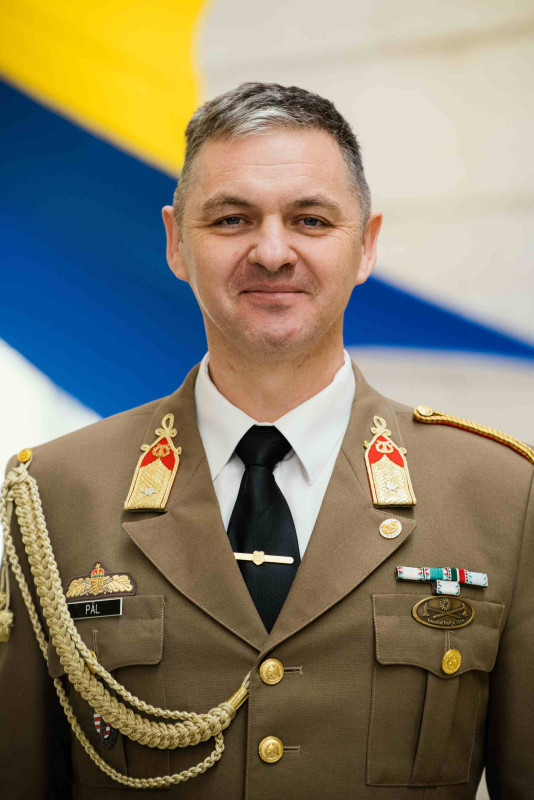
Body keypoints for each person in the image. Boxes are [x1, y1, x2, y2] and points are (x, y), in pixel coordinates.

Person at [0, 82, 532, 800]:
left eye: (311, 220)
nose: (273, 252)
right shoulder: (56, 496)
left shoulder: (501, 496)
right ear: (176, 243)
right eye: (232, 220)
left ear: (367, 245)